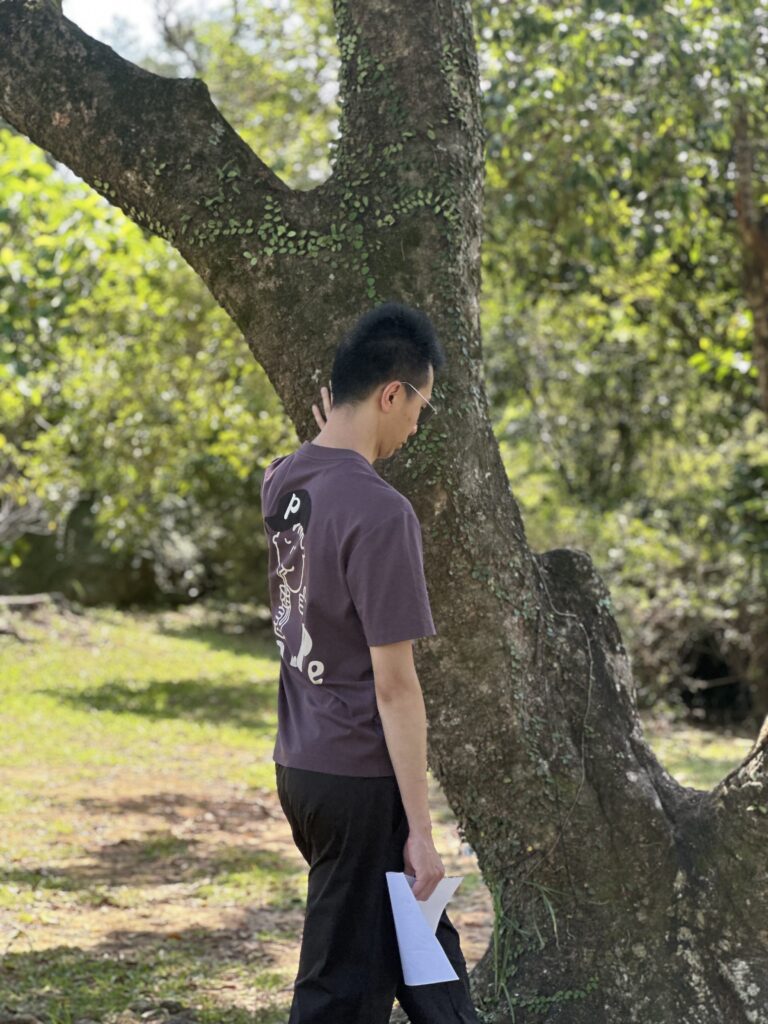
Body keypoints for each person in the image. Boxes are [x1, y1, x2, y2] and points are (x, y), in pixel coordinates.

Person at [260, 302, 480, 1024]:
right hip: (361, 783)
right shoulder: (382, 513)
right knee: (338, 994)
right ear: (392, 394)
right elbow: (396, 688)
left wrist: (330, 438)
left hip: (304, 768)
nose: (417, 425)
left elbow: (310, 476)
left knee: (428, 967)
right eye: (421, 406)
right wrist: (421, 830)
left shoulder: (283, 482)